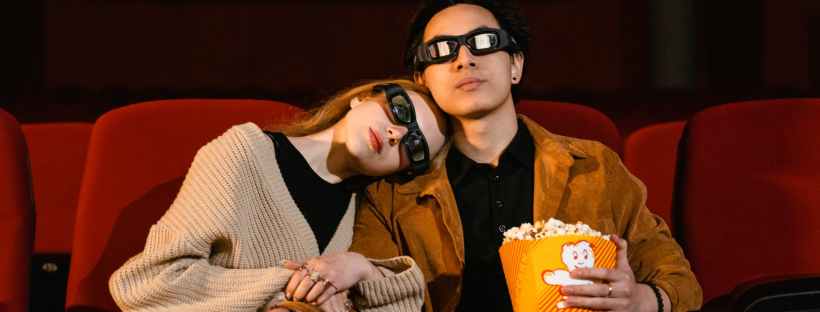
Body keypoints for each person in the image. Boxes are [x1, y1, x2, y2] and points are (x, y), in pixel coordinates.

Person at [349, 1, 703, 312]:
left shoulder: (595, 168)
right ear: (421, 79)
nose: (464, 59)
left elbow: (681, 282)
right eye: (442, 49)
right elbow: (368, 297)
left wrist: (641, 300)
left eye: (483, 42)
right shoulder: (392, 192)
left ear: (516, 64)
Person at [108, 79, 448, 312]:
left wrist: (359, 268)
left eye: (414, 147)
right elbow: (147, 285)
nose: (395, 133)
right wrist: (292, 284)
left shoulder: (363, 213)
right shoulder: (244, 153)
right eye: (400, 111)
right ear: (364, 96)